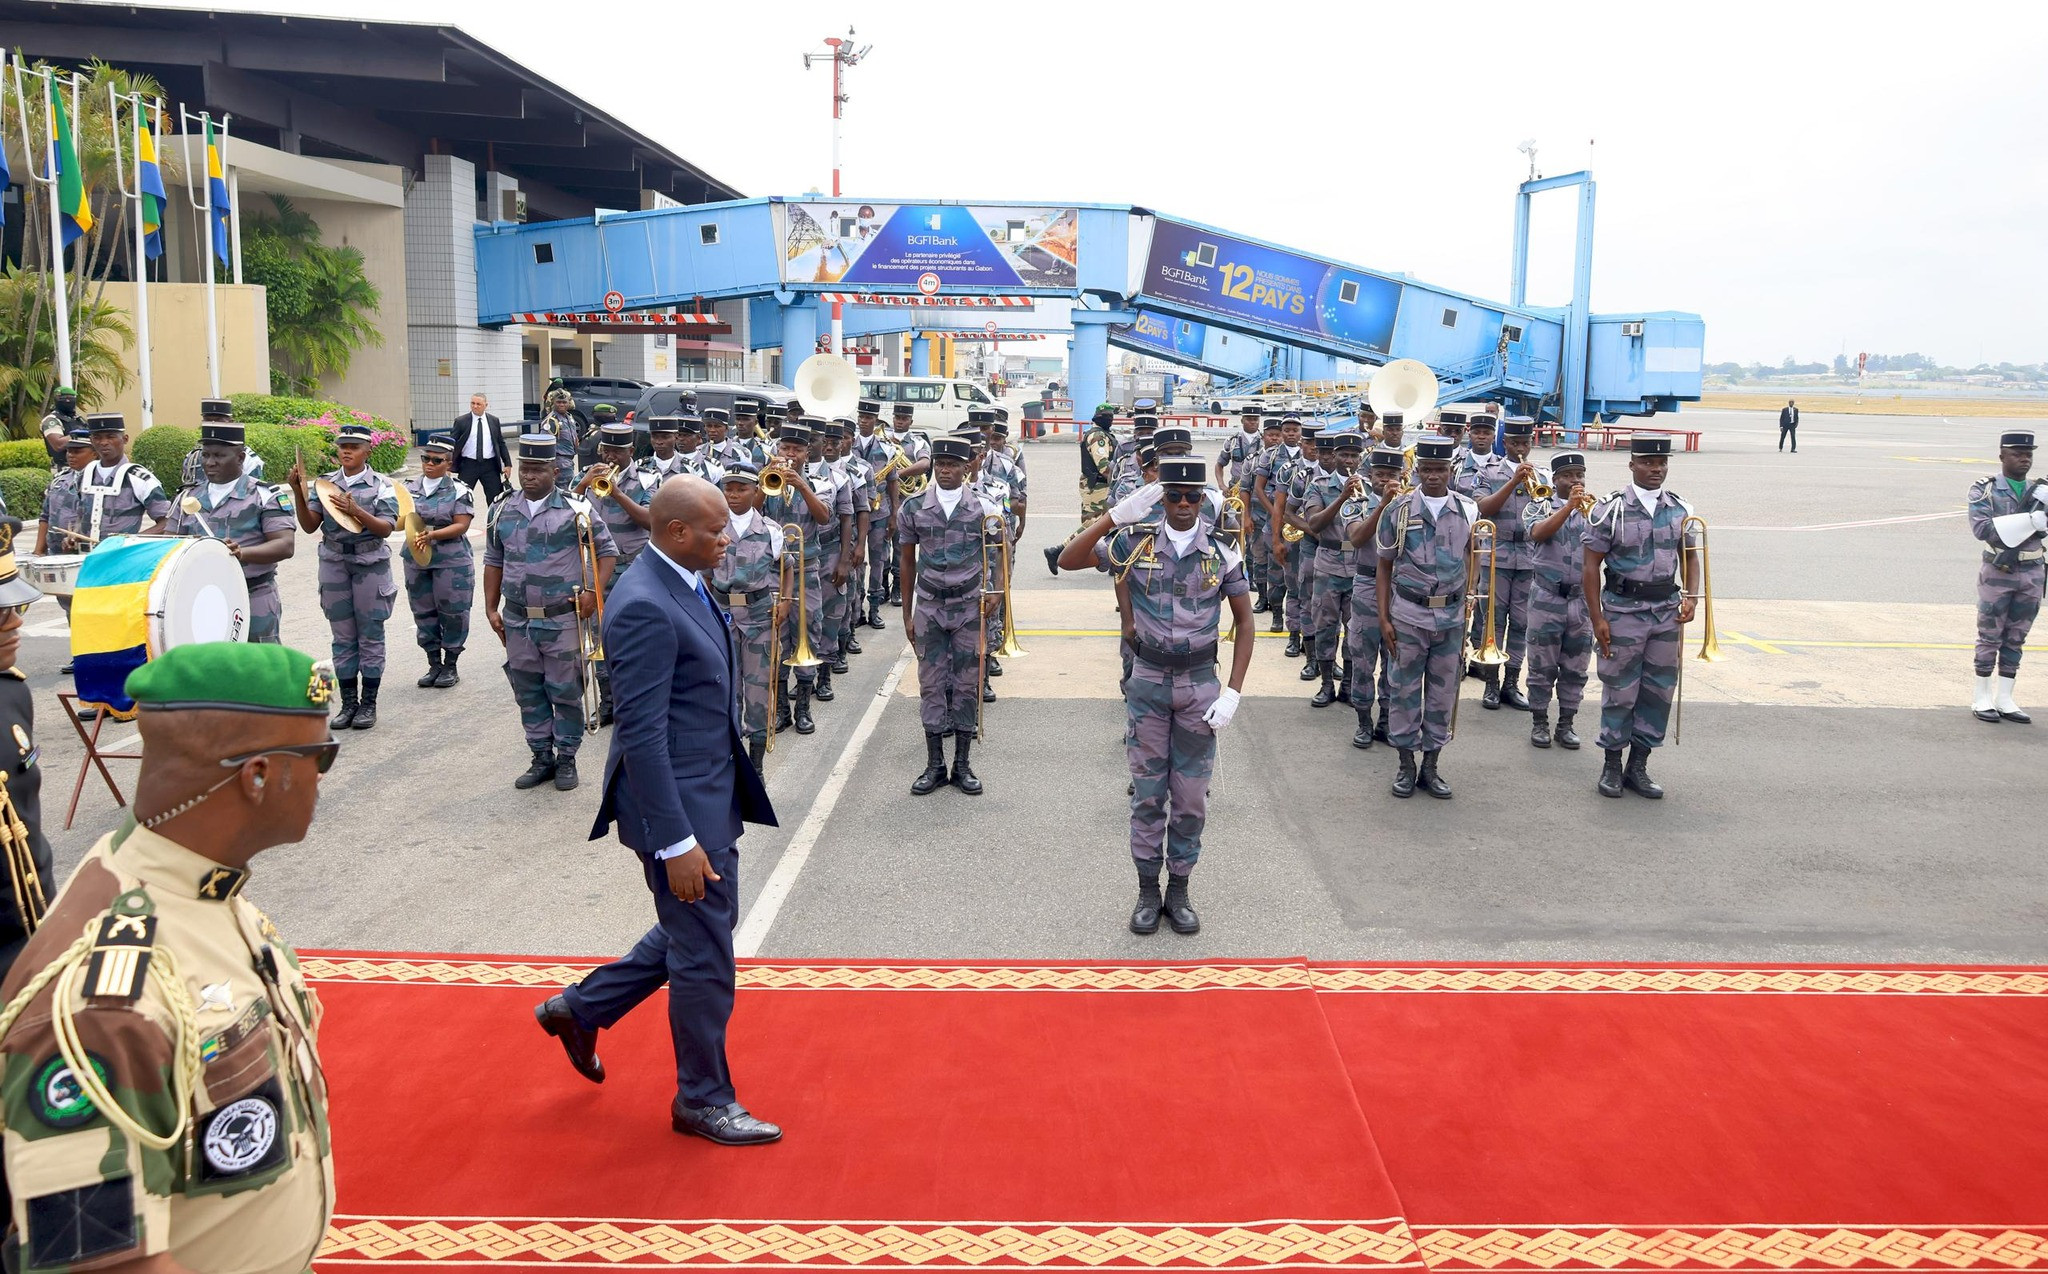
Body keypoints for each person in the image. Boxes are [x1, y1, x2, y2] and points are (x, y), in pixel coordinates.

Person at [0, 642, 337, 1274]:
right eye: (321, 757)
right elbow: (99, 1262)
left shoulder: (198, 885)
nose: (324, 777)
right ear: (257, 775)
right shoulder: (101, 1000)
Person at [534, 476, 782, 1147]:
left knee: (695, 929)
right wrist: (675, 844)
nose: (728, 539)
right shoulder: (644, 603)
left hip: (707, 791)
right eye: (715, 530)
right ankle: (702, 1099)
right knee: (705, 954)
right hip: (679, 811)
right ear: (677, 533)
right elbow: (640, 733)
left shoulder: (683, 577)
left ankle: (580, 1009)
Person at [1058, 458, 1252, 936]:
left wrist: (1234, 693)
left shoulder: (1222, 551)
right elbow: (1068, 559)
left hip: (1198, 686)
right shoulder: (1134, 541)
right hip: (1147, 683)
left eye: (1191, 497)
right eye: (1173, 497)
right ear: (1161, 499)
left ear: (1203, 498)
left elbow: (1246, 622)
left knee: (1189, 800)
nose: (1183, 505)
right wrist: (1115, 516)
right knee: (1148, 796)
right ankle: (1147, 891)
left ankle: (1179, 889)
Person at [486, 435, 617, 792]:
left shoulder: (577, 509)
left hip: (562, 618)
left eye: (537, 469)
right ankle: (541, 755)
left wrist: (594, 592)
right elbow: (493, 560)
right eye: (524, 469)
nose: (528, 476)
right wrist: (489, 607)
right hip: (518, 618)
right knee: (527, 689)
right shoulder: (500, 509)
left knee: (565, 689)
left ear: (554, 471)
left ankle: (567, 757)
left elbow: (606, 552)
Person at [1583, 436, 1700, 799]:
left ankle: (1639, 765)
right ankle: (1612, 764)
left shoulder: (1680, 508)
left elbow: (1691, 556)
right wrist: (1597, 618)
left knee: (1659, 690)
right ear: (1632, 464)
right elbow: (1590, 566)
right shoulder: (1610, 509)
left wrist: (1692, 597)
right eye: (1648, 462)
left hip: (1666, 611)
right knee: (1620, 690)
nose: (1656, 469)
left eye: (1662, 463)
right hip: (1623, 612)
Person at [899, 436, 1005, 796]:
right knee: (930, 683)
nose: (945, 469)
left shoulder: (984, 508)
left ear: (967, 467)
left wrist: (998, 590)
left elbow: (997, 553)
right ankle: (935, 764)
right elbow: (907, 560)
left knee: (967, 684)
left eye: (953, 464)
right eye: (940, 463)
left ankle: (962, 764)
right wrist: (907, 612)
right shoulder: (913, 508)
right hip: (929, 606)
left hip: (968, 606)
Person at [1376, 435, 1476, 800]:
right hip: (1408, 614)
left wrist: (1469, 603)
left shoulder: (1468, 509)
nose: (1434, 476)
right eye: (1427, 470)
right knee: (1403, 690)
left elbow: (1472, 559)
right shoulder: (1398, 510)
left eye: (1441, 469)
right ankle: (1406, 763)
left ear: (1450, 470)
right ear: (1417, 471)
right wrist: (1384, 617)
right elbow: (1383, 566)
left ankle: (1431, 764)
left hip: (1450, 617)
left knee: (1442, 693)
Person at [288, 422, 398, 731]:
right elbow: (310, 526)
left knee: (370, 634)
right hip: (334, 562)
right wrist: (299, 490)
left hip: (370, 563)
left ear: (368, 450)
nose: (346, 450)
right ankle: (348, 703)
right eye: (342, 446)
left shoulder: (382, 485)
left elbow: (387, 528)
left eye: (354, 446)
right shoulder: (325, 484)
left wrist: (357, 511)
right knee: (343, 636)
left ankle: (369, 704)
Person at [162, 415, 296, 643]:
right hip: (200, 598)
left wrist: (242, 552)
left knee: (258, 665)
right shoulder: (188, 496)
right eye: (206, 455)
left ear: (240, 457)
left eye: (219, 456)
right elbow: (169, 543)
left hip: (252, 594)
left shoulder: (264, 495)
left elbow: (285, 544)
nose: (210, 462)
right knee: (211, 667)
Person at [758, 421, 833, 736]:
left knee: (807, 632)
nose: (789, 454)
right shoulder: (765, 477)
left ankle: (803, 707)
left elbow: (824, 517)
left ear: (806, 452)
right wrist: (764, 482)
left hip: (805, 569)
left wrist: (801, 485)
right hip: (772, 571)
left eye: (796, 450)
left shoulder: (819, 481)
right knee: (775, 636)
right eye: (785, 448)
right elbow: (749, 513)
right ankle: (781, 710)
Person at [0, 523, 50, 980]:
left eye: (14, 608)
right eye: (0, 614)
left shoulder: (11, 694)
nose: (16, 622)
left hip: (27, 939)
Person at [1967, 430, 2045, 723]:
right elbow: (1982, 530)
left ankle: (2005, 697)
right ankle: (1982, 695)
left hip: (2033, 571)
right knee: (1990, 635)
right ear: (2002, 457)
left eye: (2028, 454)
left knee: (2017, 636)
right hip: (1999, 572)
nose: (2024, 459)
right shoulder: (1985, 489)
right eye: (2016, 454)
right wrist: (2029, 520)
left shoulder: (2041, 492)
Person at [1459, 413, 1535, 710]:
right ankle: (1491, 683)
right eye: (1514, 442)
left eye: (1524, 442)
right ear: (1505, 443)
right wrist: (1514, 480)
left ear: (1531, 443)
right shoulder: (1489, 473)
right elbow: (1483, 507)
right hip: (1497, 556)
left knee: (1521, 623)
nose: (1520, 447)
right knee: (1493, 621)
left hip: (1528, 558)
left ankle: (1512, 683)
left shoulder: (1539, 474)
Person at [1521, 450, 1595, 750]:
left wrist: (1584, 508)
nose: (1574, 480)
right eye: (1567, 476)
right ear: (1555, 480)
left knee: (1576, 667)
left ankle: (1566, 723)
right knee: (1542, 666)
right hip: (1547, 597)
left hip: (1581, 601)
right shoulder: (1538, 504)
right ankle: (1540, 721)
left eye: (1579, 475)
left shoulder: (1596, 509)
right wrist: (1568, 508)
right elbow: (1539, 533)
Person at [711, 465, 783, 769]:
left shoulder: (770, 530)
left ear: (756, 491)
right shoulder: (712, 528)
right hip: (721, 613)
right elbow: (701, 571)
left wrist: (787, 602)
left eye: (741, 488)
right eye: (729, 488)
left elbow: (786, 567)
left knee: (757, 689)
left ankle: (755, 766)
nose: (733, 494)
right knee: (725, 688)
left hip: (758, 617)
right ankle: (728, 758)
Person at [402, 434, 477, 690]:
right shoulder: (409, 487)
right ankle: (434, 663)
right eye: (426, 458)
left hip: (450, 557)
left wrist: (432, 534)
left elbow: (461, 524)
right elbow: (399, 516)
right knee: (423, 610)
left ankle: (451, 664)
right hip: (416, 554)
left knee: (453, 611)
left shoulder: (459, 489)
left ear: (448, 463)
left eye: (436, 460)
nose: (429, 464)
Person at [1298, 431, 1365, 708]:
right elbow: (1314, 524)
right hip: (1328, 563)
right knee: (1325, 626)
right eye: (1344, 455)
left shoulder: (1369, 488)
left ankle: (1348, 685)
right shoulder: (1319, 486)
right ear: (1334, 455)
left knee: (1355, 629)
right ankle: (1327, 684)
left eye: (1353, 455)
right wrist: (1342, 498)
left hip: (1359, 566)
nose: (1348, 460)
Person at [1344, 446, 1404, 747]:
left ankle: (1386, 719)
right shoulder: (1358, 501)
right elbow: (1356, 538)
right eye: (1380, 475)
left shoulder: (1410, 501)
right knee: (1363, 657)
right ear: (1370, 475)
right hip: (1367, 584)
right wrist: (1382, 505)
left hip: (1400, 588)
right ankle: (1364, 721)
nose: (1385, 480)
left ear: (1401, 475)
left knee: (1396, 657)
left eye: (1391, 475)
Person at [76, 414, 172, 542]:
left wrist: (131, 540)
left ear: (125, 439)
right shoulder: (84, 475)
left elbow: (168, 522)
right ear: (91, 441)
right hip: (86, 556)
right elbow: (78, 515)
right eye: (97, 438)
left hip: (121, 556)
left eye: (111, 437)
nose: (104, 442)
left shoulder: (140, 478)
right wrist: (74, 535)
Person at [178, 399, 267, 489]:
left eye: (219, 420)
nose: (213, 425)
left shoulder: (250, 461)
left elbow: (253, 491)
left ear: (231, 422)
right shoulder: (192, 458)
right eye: (207, 420)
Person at [453, 390, 510, 504]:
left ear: (486, 405)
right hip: (468, 465)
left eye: (478, 404)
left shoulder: (493, 421)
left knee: (495, 498)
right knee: (461, 498)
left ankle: (493, 521)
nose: (475, 406)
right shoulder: (461, 421)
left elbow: (500, 443)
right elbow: (452, 444)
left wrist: (508, 464)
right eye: (472, 403)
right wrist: (447, 464)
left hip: (490, 466)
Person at [537, 387, 581, 490]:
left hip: (569, 461)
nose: (562, 405)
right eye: (558, 402)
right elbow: (544, 445)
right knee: (562, 492)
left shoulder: (569, 417)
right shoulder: (551, 421)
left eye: (564, 402)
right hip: (559, 462)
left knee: (569, 490)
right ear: (553, 403)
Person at [37, 385, 80, 466]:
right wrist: (81, 435)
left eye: (71, 398)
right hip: (64, 467)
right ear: (56, 399)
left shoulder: (78, 419)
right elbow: (58, 444)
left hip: (85, 466)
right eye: (64, 398)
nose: (68, 401)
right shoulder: (51, 420)